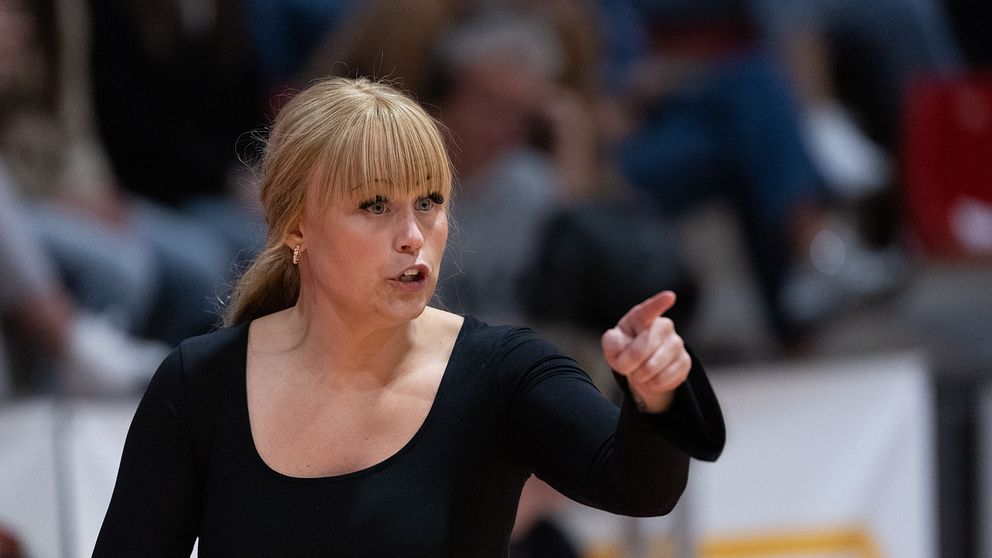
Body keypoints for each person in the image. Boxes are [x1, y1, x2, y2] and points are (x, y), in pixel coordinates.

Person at [93, 77, 724, 556]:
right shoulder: (199, 386)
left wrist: (656, 394)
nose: (413, 236)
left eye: (429, 202)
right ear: (295, 226)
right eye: (374, 206)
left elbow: (642, 489)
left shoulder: (503, 373)